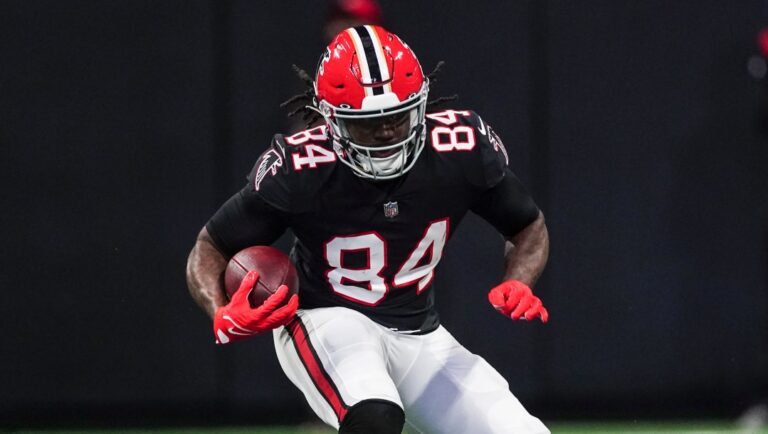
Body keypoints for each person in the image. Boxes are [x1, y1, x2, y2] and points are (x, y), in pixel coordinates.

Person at [186, 25, 551, 434]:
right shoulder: (299, 169)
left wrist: (519, 280)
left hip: (420, 335)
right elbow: (211, 245)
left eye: (397, 116)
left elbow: (527, 224)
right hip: (325, 318)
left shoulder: (461, 147)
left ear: (421, 104)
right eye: (367, 123)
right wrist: (220, 309)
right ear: (330, 119)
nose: (386, 132)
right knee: (374, 414)